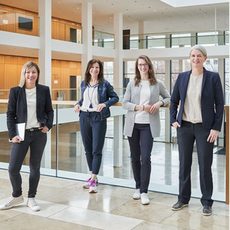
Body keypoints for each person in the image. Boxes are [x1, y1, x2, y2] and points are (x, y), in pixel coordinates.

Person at [170, 45, 224, 216]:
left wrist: (216, 127)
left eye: (199, 56)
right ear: (189, 58)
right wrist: (173, 120)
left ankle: (207, 201)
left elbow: (220, 104)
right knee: (184, 164)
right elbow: (173, 101)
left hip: (204, 128)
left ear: (205, 58)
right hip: (184, 126)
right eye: (193, 55)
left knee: (205, 165)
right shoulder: (182, 77)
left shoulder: (213, 78)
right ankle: (183, 198)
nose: (196, 59)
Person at [0, 61, 54, 212]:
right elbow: (10, 114)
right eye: (28, 72)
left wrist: (48, 125)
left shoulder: (43, 90)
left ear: (37, 74)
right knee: (13, 168)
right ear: (24, 74)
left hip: (38, 134)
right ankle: (17, 195)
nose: (31, 75)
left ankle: (31, 198)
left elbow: (50, 111)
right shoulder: (15, 91)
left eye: (34, 72)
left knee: (34, 167)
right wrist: (12, 135)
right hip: (21, 134)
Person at [123, 55, 170, 205]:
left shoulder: (157, 83)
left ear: (149, 67)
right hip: (133, 124)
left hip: (148, 126)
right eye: (140, 65)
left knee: (146, 157)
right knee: (135, 157)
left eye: (145, 65)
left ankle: (144, 191)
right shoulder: (132, 83)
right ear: (137, 67)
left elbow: (170, 98)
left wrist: (159, 103)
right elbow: (124, 103)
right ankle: (137, 187)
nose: (142, 67)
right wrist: (138, 107)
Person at [74, 59, 119, 193]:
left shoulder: (104, 84)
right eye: (92, 67)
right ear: (89, 69)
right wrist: (77, 104)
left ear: (100, 70)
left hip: (98, 118)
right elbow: (83, 100)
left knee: (96, 149)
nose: (95, 70)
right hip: (84, 116)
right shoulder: (84, 84)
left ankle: (93, 179)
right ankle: (93, 175)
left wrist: (105, 104)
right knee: (87, 149)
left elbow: (115, 97)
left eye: (97, 67)